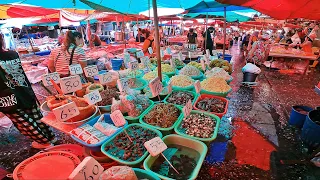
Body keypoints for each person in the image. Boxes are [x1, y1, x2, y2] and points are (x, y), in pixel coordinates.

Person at [0, 33, 55, 149]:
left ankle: (45, 143)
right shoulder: (12, 54)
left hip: (7, 98)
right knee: (36, 116)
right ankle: (50, 137)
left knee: (25, 122)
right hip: (24, 90)